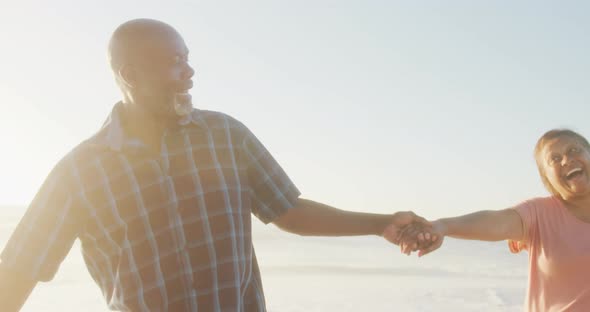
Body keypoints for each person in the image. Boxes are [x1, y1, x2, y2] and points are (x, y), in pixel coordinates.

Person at [0, 19, 435, 312]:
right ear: (131, 75)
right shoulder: (81, 171)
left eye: (187, 58)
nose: (189, 72)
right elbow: (19, 266)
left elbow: (290, 211)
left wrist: (380, 223)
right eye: (174, 62)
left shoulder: (226, 136)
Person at [397, 129, 590, 311]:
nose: (566, 160)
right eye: (554, 159)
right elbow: (497, 221)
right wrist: (443, 226)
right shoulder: (539, 213)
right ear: (546, 178)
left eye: (574, 150)